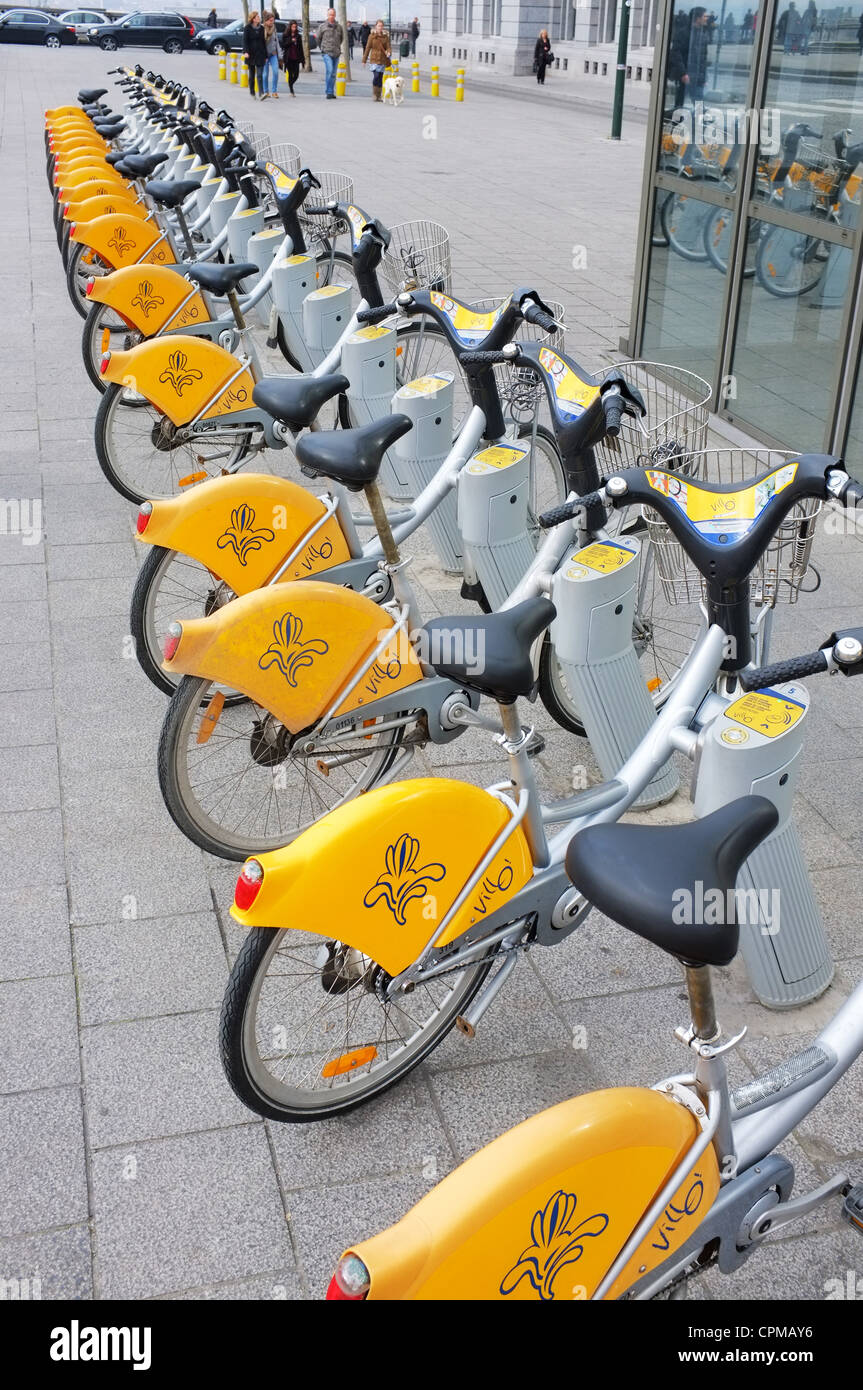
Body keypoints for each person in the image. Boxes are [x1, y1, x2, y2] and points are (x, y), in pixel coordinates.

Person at [317, 7, 343, 99]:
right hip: (326, 52)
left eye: (333, 14)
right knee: (330, 70)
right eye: (330, 14)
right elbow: (318, 39)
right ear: (327, 15)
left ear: (335, 15)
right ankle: (328, 91)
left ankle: (331, 91)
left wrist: (337, 47)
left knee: (333, 73)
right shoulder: (322, 26)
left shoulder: (339, 27)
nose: (331, 16)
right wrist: (322, 48)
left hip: (336, 52)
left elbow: (341, 39)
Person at [363, 18, 391, 101]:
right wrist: (364, 60)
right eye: (379, 26)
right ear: (376, 26)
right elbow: (367, 48)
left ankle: (379, 95)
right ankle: (375, 94)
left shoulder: (385, 37)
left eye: (381, 26)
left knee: (380, 78)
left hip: (382, 59)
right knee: (376, 76)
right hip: (374, 59)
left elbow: (388, 47)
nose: (380, 27)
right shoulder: (372, 36)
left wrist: (389, 52)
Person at [243, 11, 267, 100]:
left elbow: (263, 42)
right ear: (253, 19)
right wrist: (245, 52)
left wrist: (266, 55)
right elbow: (245, 41)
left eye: (258, 17)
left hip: (260, 54)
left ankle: (261, 93)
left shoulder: (261, 28)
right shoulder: (247, 28)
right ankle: (252, 92)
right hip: (251, 54)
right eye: (257, 17)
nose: (259, 18)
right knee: (252, 75)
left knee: (260, 75)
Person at [281, 19, 304, 96]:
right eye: (293, 27)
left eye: (295, 27)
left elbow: (301, 48)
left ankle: (290, 84)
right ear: (290, 27)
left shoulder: (298, 36)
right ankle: (291, 90)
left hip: (296, 58)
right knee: (290, 74)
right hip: (288, 58)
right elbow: (283, 45)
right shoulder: (285, 35)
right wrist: (291, 41)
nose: (294, 28)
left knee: (296, 75)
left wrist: (303, 60)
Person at [260, 11, 280, 99]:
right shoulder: (261, 29)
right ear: (266, 21)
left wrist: (280, 54)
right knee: (265, 74)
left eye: (273, 20)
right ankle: (266, 91)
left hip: (273, 54)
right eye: (271, 21)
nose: (272, 22)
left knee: (276, 72)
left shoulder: (274, 28)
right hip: (264, 55)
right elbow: (260, 43)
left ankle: (274, 91)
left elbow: (276, 41)